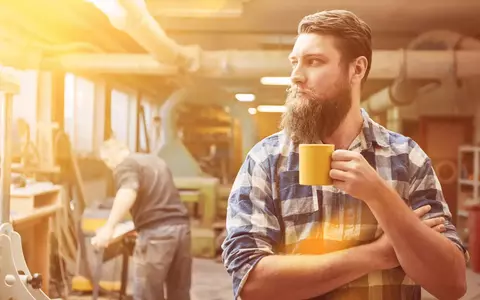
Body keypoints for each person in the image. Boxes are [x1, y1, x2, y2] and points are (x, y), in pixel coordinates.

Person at [221, 9, 468, 300]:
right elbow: (250, 283)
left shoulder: (407, 158)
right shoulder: (265, 161)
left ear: (357, 69)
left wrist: (380, 196)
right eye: (294, 63)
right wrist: (378, 254)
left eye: (314, 62)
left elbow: (452, 286)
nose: (296, 76)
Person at [91, 138, 192, 300]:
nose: (109, 165)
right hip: (182, 230)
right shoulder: (155, 161)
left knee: (147, 294)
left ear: (113, 154)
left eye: (107, 160)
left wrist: (108, 229)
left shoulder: (126, 165)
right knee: (179, 293)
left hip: (157, 235)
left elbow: (128, 191)